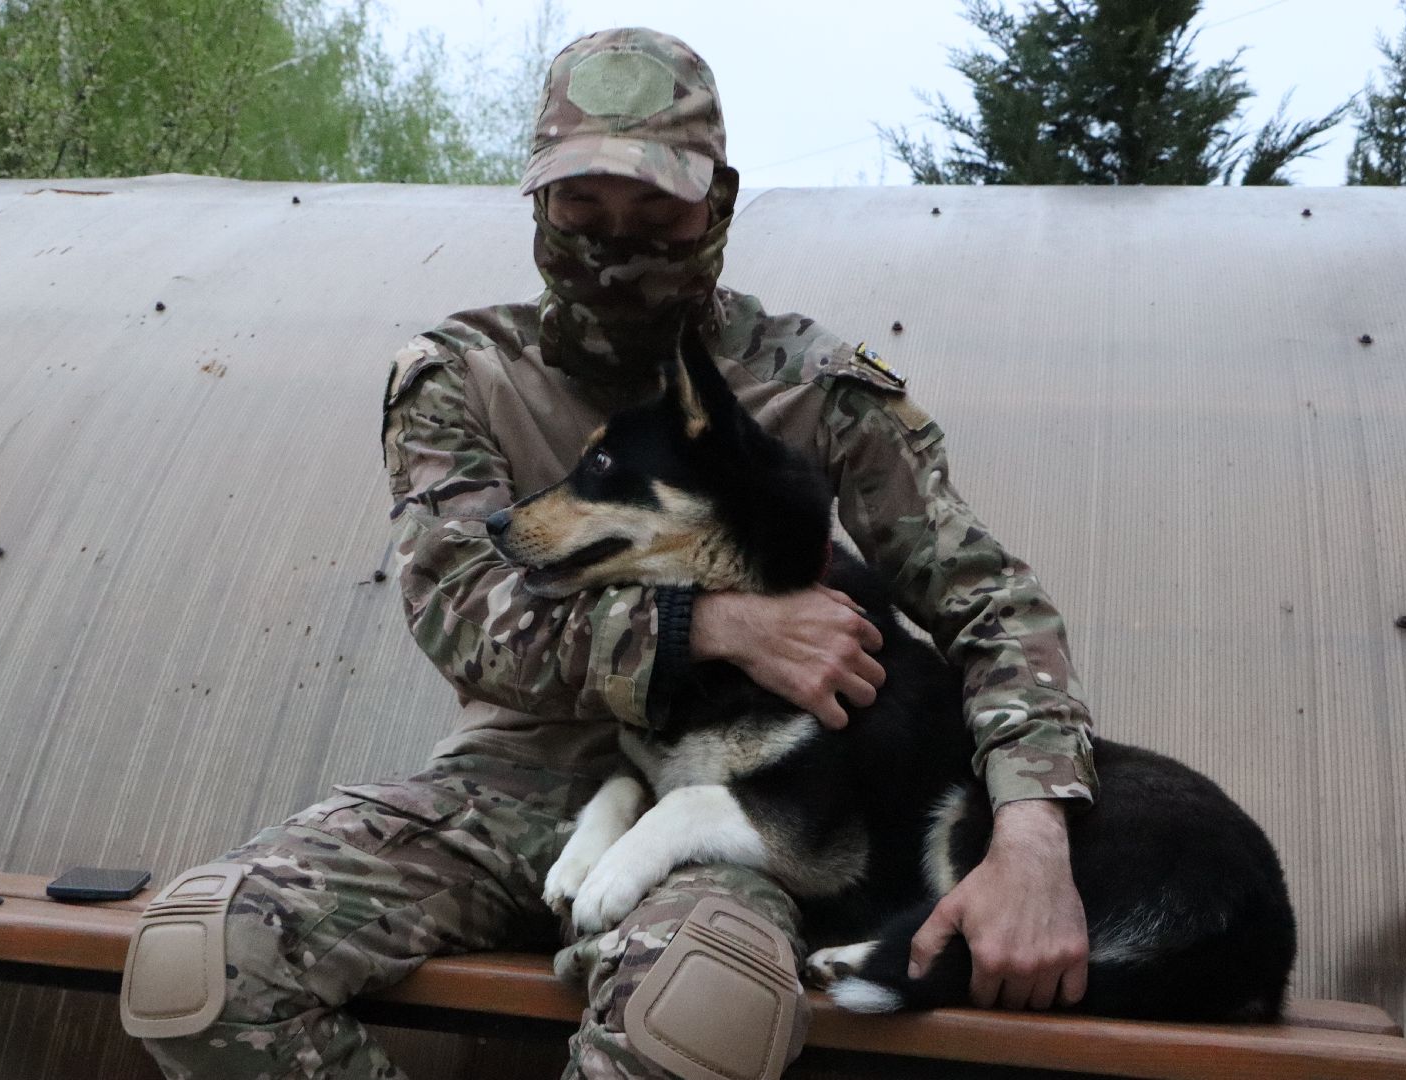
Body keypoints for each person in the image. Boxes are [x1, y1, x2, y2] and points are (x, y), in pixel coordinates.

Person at [132, 26, 1097, 1080]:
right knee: (202, 961)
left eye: (655, 214)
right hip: (512, 787)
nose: (613, 242)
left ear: (719, 206)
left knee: (696, 1016)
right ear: (537, 204)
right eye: (581, 207)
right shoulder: (461, 377)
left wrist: (1033, 838)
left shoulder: (814, 388)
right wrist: (709, 624)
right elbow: (463, 610)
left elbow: (993, 608)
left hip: (734, 811)